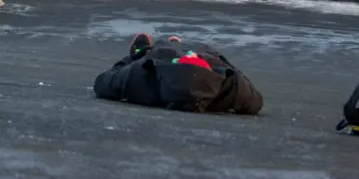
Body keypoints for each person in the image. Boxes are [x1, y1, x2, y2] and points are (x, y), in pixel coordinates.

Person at [93, 33, 262, 114]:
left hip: (163, 58)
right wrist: (223, 64)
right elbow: (255, 99)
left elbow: (103, 81)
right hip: (199, 61)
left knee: (157, 50)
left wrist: (137, 57)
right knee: (205, 50)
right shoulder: (227, 87)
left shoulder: (144, 74)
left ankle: (143, 49)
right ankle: (171, 48)